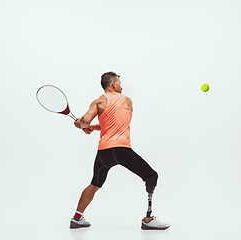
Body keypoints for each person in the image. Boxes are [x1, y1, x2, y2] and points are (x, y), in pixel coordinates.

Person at [70, 72, 169, 230]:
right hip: (121, 149)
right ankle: (148, 219)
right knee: (151, 176)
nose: (122, 87)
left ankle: (77, 218)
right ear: (113, 84)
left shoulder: (98, 101)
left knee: (95, 184)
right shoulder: (127, 101)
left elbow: (86, 122)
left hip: (104, 152)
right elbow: (119, 124)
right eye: (120, 83)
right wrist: (85, 124)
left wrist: (82, 125)